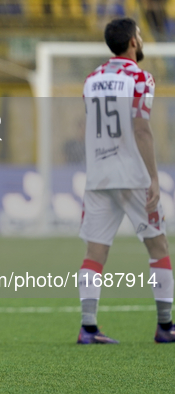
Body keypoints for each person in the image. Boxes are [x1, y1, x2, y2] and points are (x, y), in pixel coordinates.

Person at [78, 17, 174, 344]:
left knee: (95, 252)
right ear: (133, 41)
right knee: (158, 246)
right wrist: (154, 179)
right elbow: (141, 128)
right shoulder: (141, 78)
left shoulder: (91, 79)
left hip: (98, 174)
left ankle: (88, 328)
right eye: (141, 35)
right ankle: (165, 326)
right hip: (132, 172)